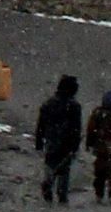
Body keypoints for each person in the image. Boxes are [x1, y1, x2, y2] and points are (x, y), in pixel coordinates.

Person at [32, 74, 84, 204]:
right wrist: (75, 144)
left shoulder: (49, 104)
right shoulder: (74, 107)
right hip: (67, 142)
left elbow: (41, 125)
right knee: (64, 169)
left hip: (51, 140)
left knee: (50, 163)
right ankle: (61, 195)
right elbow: (76, 128)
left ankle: (48, 183)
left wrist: (39, 142)